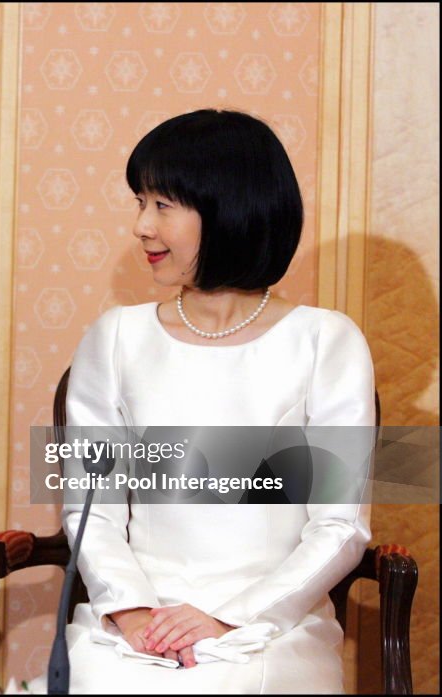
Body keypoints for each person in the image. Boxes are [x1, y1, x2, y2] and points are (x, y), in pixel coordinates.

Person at [59, 109, 373, 693]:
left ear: (228, 207)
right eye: (140, 203)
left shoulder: (328, 341)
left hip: (273, 627)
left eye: (162, 205)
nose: (142, 227)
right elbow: (89, 508)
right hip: (136, 626)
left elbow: (341, 527)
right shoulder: (115, 336)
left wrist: (227, 617)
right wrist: (131, 612)